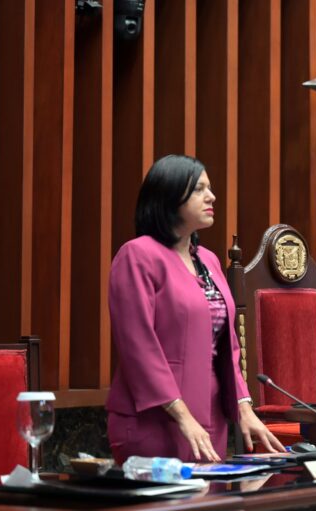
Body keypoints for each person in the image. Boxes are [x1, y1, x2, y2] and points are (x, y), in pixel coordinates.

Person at [106, 154, 283, 463]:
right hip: (155, 419)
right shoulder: (137, 256)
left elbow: (228, 346)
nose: (211, 196)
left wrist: (243, 406)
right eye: (199, 189)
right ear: (169, 196)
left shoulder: (209, 260)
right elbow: (138, 346)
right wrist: (181, 414)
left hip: (209, 419)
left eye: (209, 188)